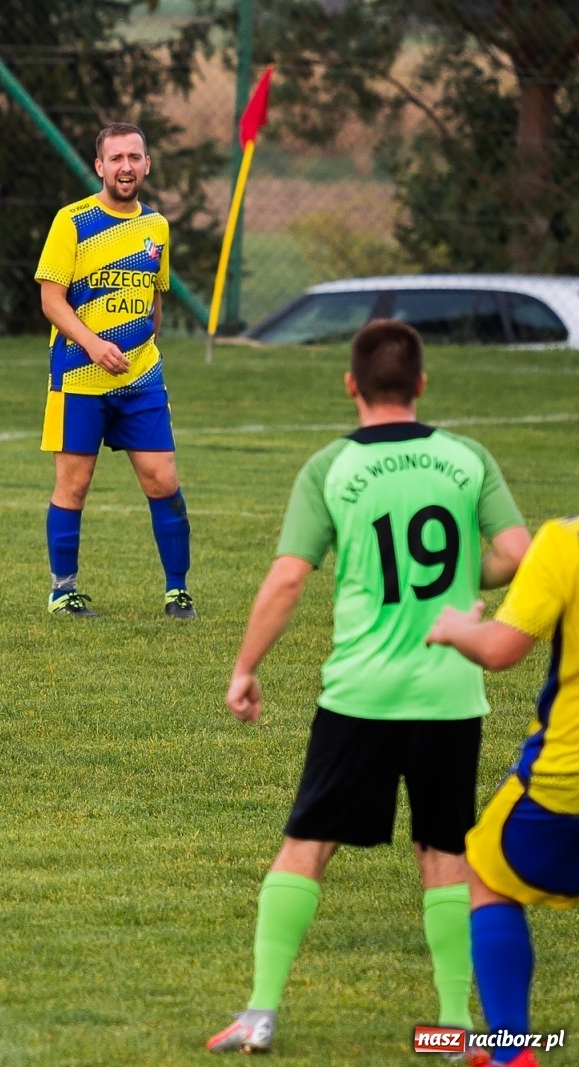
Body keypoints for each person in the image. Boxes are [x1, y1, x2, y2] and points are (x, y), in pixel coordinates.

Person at [207, 320, 530, 1054]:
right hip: (449, 695)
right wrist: (464, 576)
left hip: (361, 694)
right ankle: (455, 1024)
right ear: (421, 384)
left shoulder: (332, 466)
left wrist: (245, 667)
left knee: (307, 845)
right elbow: (517, 553)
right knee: (444, 854)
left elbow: (289, 578)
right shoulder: (466, 457)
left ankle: (260, 1013)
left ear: (350, 384)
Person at [427, 519, 579, 1067]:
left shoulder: (566, 542)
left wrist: (455, 628)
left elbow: (500, 649)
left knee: (486, 876)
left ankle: (511, 1051)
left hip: (566, 778)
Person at [36, 122, 193, 619]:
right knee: (74, 485)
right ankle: (63, 591)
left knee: (163, 480)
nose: (126, 167)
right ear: (99, 166)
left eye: (134, 157)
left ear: (147, 164)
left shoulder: (157, 227)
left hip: (140, 379)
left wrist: (143, 347)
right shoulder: (73, 220)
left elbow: (155, 299)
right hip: (79, 376)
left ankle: (177, 591)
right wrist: (93, 344)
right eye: (116, 158)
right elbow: (51, 299)